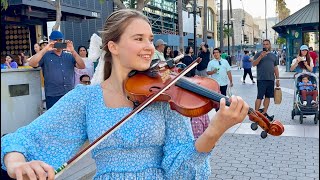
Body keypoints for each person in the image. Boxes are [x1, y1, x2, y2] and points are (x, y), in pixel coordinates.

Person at [1, 9, 249, 180]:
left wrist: (215, 130)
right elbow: (23, 139)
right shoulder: (86, 99)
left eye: (150, 39)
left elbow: (181, 170)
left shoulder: (164, 96)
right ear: (113, 46)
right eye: (139, 39)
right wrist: (17, 163)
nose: (149, 47)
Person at [29, 30, 85, 110]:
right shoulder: (45, 56)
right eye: (55, 40)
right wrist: (45, 49)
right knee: (54, 121)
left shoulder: (69, 56)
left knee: (70, 119)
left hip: (69, 94)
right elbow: (32, 63)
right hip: (53, 95)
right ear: (51, 41)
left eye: (60, 40)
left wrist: (73, 51)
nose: (58, 42)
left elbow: (82, 66)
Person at [252, 39, 280, 121]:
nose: (265, 46)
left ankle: (264, 112)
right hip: (261, 79)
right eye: (264, 44)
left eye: (267, 44)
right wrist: (261, 57)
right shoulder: (258, 54)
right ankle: (256, 114)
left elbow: (275, 68)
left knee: (268, 97)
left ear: (270, 45)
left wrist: (277, 79)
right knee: (259, 96)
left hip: (271, 79)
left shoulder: (274, 56)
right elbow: (253, 64)